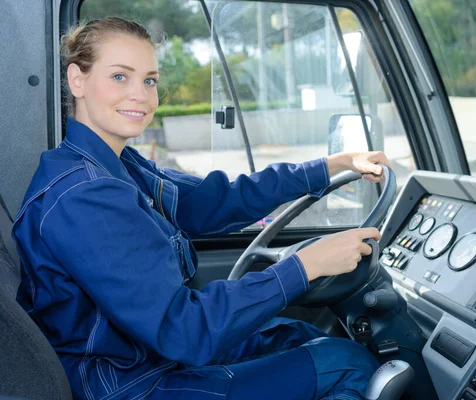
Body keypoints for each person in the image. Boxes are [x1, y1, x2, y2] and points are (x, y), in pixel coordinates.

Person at [12, 17, 392, 400]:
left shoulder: (118, 167)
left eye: (149, 80)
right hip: (131, 384)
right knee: (348, 365)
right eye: (119, 77)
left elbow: (215, 201)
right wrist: (306, 266)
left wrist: (331, 166)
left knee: (301, 335)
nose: (141, 96)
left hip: (145, 355)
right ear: (77, 80)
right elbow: (185, 331)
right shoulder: (86, 196)